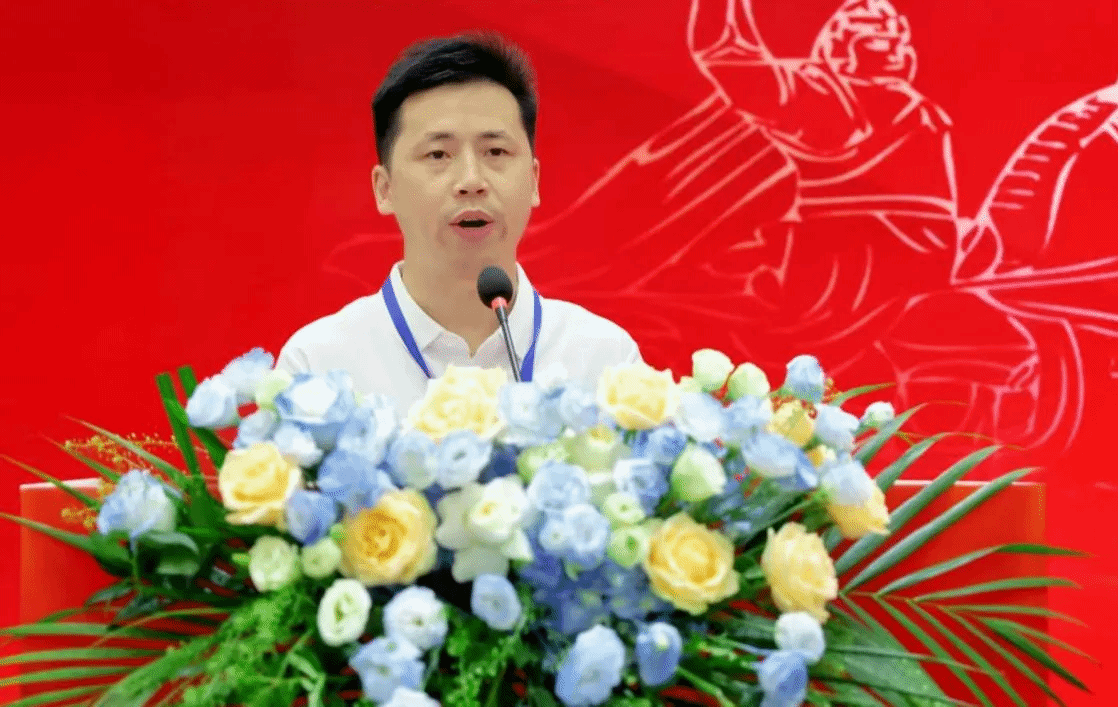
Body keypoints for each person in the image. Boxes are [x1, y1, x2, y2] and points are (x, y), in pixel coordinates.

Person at [276, 33, 640, 414]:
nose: (471, 180)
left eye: (495, 151)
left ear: (534, 181)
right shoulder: (318, 369)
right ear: (385, 189)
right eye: (438, 154)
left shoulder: (605, 364)